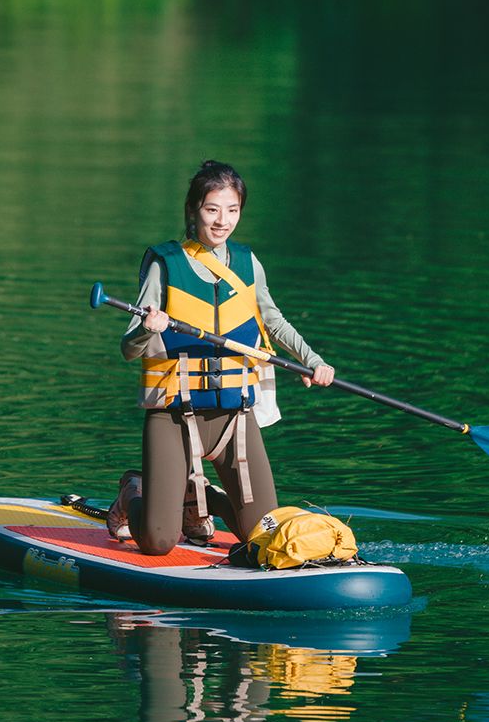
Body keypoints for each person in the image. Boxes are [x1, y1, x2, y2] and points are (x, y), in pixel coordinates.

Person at [107, 160, 335, 555]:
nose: (222, 221)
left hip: (235, 415)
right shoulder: (165, 264)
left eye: (232, 210)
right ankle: (133, 492)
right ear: (193, 209)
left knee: (263, 533)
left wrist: (312, 360)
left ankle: (199, 500)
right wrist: (149, 327)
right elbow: (130, 350)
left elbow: (272, 319)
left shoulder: (247, 263)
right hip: (173, 413)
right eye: (212, 209)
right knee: (159, 542)